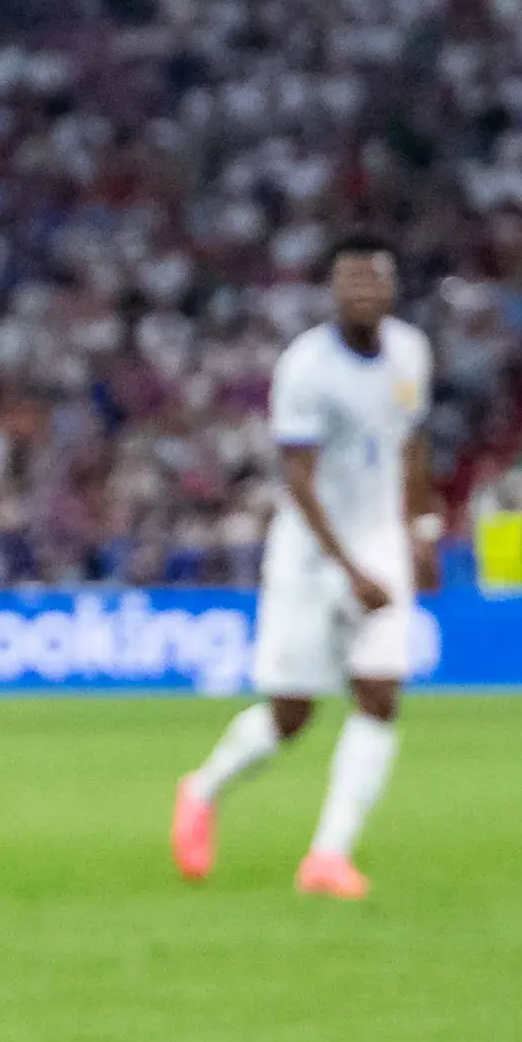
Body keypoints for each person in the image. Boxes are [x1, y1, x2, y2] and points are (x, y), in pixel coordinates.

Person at [173, 235, 438, 898]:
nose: (363, 290)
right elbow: (299, 478)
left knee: (380, 693)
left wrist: (420, 530)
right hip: (311, 552)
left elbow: (409, 444)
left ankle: (328, 856)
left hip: (379, 540)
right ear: (332, 289)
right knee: (293, 713)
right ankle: (203, 789)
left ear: (392, 286)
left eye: (374, 277)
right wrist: (349, 569)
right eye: (351, 279)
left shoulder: (411, 352)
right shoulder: (307, 367)